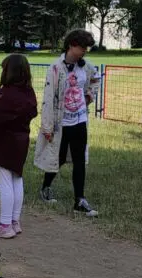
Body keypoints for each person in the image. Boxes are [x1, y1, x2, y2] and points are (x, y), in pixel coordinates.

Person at [35, 29, 101, 217]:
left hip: (80, 120)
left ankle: (80, 199)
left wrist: (89, 96)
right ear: (71, 45)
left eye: (87, 48)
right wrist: (47, 125)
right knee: (59, 157)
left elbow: (95, 80)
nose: (85, 51)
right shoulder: (56, 68)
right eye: (82, 47)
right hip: (61, 123)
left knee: (79, 161)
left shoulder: (86, 66)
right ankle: (46, 187)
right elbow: (49, 98)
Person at [0, 54, 38, 239]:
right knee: (16, 179)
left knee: (4, 184)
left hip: (4, 144)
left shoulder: (5, 94)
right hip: (21, 142)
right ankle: (14, 221)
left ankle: (4, 226)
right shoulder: (29, 93)